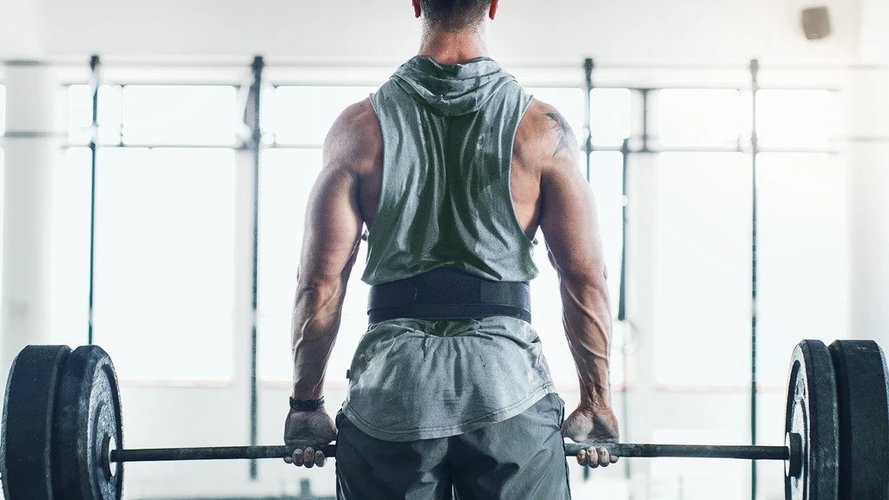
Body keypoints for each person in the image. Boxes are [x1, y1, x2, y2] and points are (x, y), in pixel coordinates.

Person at [283, 0, 620, 497]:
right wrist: (595, 400)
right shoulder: (541, 129)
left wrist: (307, 405)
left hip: (392, 392)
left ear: (416, 4)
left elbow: (319, 282)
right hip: (508, 385)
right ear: (493, 4)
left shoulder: (357, 129)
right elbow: (585, 278)